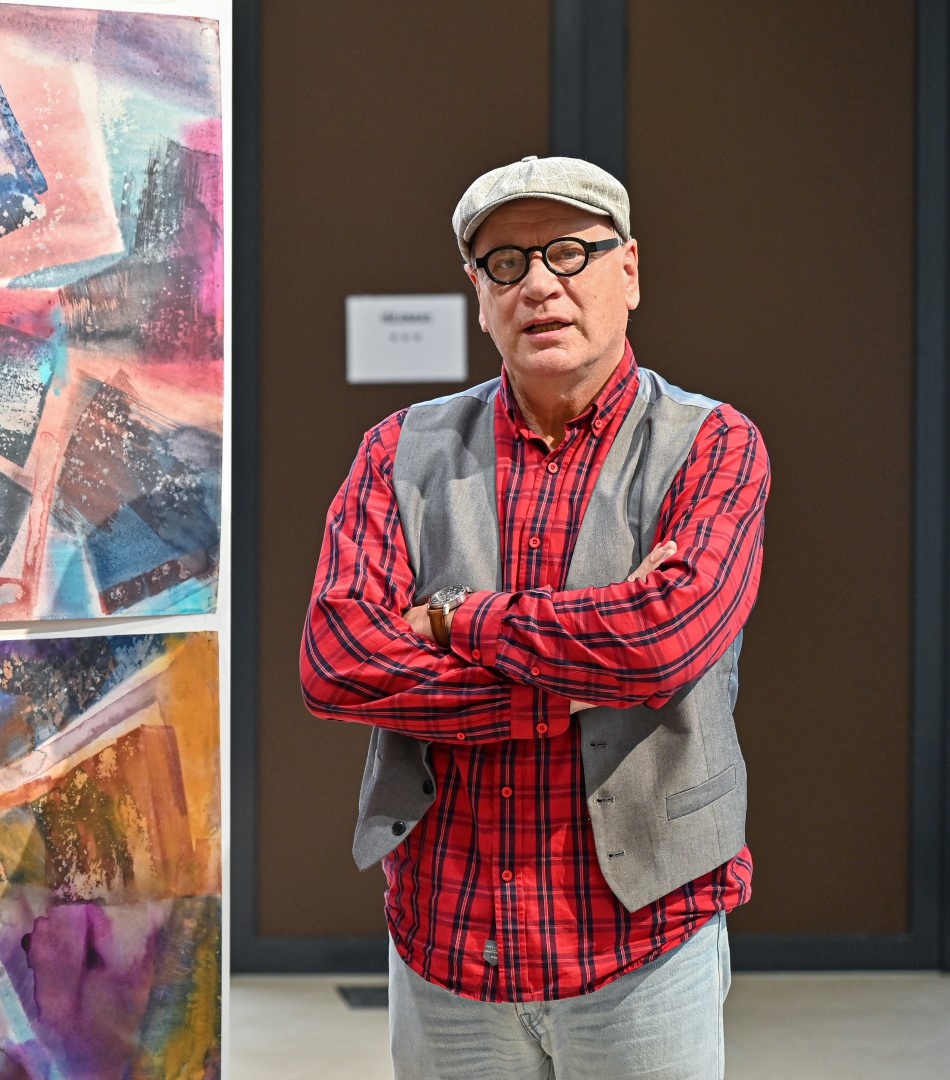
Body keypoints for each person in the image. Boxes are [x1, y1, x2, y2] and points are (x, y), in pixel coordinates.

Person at [299, 155, 769, 1079]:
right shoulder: (398, 450)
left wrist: (451, 620)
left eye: (568, 252)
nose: (539, 285)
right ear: (478, 295)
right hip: (447, 938)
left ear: (628, 270)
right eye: (505, 263)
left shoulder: (712, 444)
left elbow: (657, 643)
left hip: (641, 941)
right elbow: (337, 661)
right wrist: (564, 687)